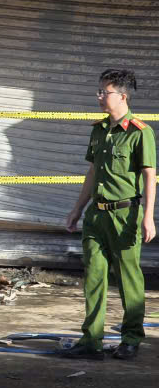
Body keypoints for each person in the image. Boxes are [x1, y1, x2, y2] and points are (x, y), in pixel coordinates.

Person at [60, 69, 156, 361]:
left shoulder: (140, 132)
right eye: (99, 91)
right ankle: (91, 340)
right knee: (94, 278)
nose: (99, 96)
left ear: (122, 96)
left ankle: (130, 339)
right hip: (96, 216)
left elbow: (149, 176)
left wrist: (148, 216)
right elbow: (92, 172)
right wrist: (77, 209)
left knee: (128, 279)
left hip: (124, 215)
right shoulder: (99, 130)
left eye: (105, 92)